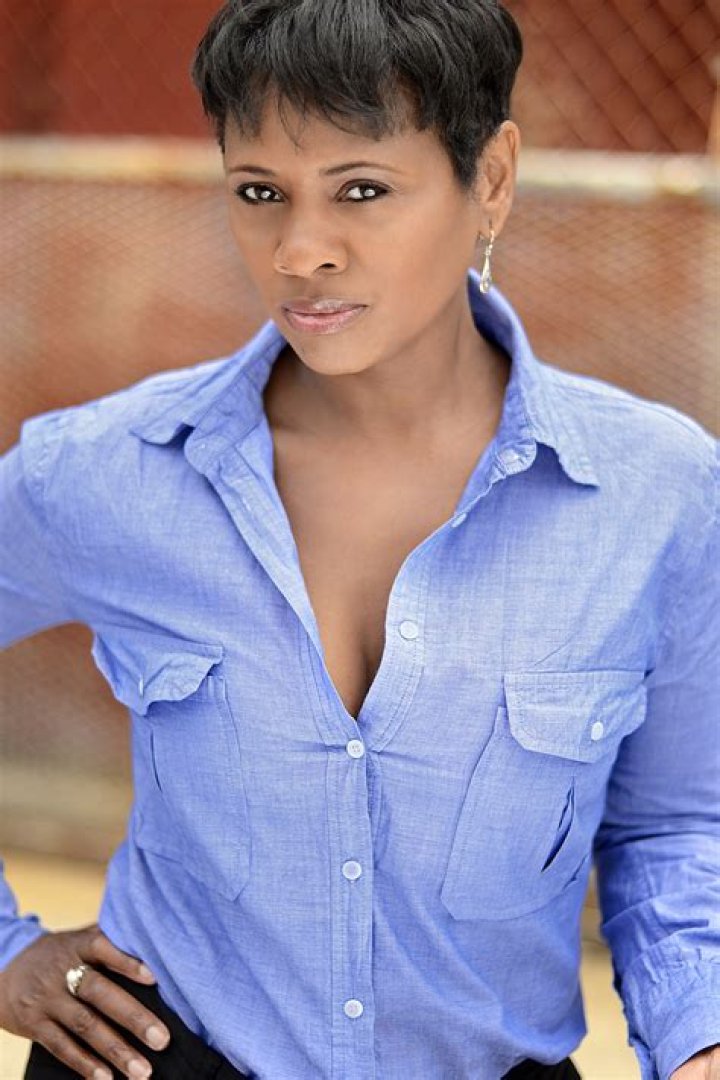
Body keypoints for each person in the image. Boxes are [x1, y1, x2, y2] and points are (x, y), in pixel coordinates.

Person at [0, 0, 718, 1077]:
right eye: (260, 192)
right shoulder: (106, 472)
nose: (300, 252)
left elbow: (675, 826)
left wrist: (700, 1036)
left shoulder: (659, 493)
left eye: (363, 190)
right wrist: (4, 956)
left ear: (492, 180)